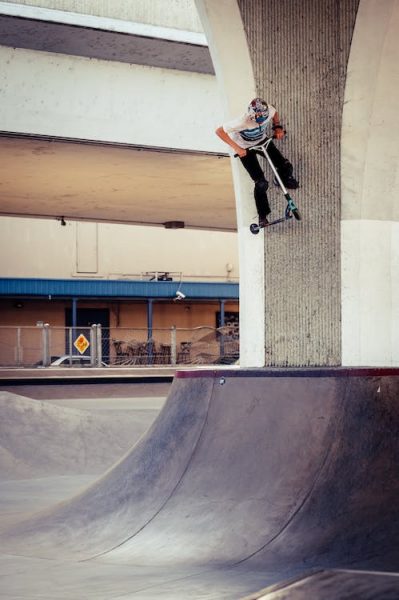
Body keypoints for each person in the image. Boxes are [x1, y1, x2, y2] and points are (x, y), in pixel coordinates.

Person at [215, 98, 299, 227]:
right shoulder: (242, 121)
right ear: (251, 114)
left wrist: (277, 127)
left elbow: (274, 113)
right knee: (261, 184)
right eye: (257, 117)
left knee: (286, 166)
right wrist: (237, 148)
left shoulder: (269, 110)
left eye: (262, 116)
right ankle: (262, 216)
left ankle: (281, 179)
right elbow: (219, 131)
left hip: (262, 141)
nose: (260, 118)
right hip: (244, 147)